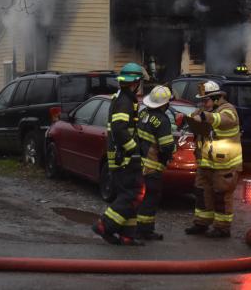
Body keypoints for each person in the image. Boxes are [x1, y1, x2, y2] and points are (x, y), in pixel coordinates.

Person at [92, 62, 146, 246]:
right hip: (125, 158)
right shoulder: (125, 101)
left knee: (129, 195)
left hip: (120, 156)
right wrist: (133, 149)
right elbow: (119, 129)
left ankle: (127, 235)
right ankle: (104, 225)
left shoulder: (122, 98)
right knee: (133, 195)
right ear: (135, 83)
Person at [180, 80, 242, 238]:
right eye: (201, 101)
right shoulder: (204, 109)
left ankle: (222, 228)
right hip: (206, 163)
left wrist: (203, 116)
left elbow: (223, 120)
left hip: (225, 165)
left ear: (216, 98)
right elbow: (194, 117)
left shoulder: (228, 110)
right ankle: (201, 223)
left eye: (205, 100)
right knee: (202, 193)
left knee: (221, 195)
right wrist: (185, 117)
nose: (203, 103)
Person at [136, 85, 175, 240]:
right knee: (151, 198)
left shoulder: (143, 113)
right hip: (152, 167)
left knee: (140, 197)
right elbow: (166, 146)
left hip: (138, 163)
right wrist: (172, 149)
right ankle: (145, 230)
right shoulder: (162, 120)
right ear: (165, 104)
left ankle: (137, 227)